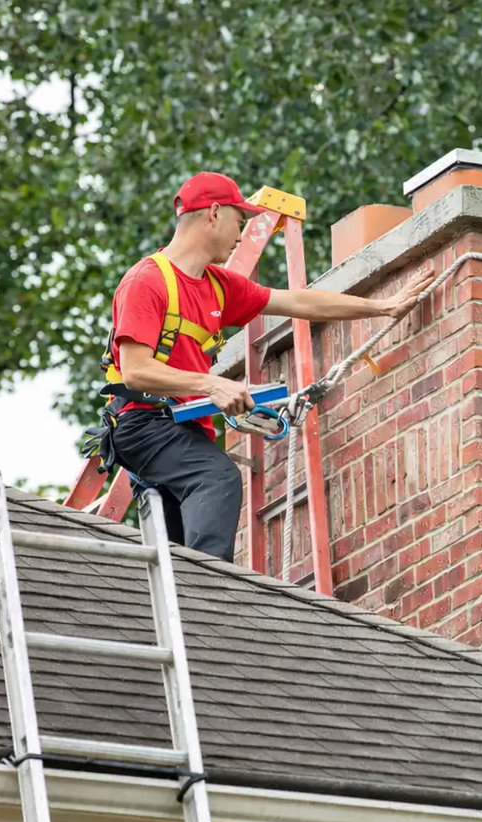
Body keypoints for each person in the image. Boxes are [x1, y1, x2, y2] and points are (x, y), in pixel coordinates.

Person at [91, 171, 433, 562]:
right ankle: (213, 594)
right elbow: (135, 371)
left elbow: (301, 303)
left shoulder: (219, 286)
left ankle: (191, 610)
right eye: (240, 222)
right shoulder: (147, 281)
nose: (242, 234)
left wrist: (382, 306)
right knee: (216, 478)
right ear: (214, 213)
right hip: (144, 424)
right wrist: (212, 385)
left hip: (184, 430)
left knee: (176, 552)